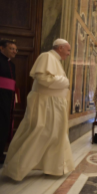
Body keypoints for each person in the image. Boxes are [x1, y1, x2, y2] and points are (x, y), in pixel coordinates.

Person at [2, 39, 74, 181]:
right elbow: (42, 78)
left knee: (56, 136)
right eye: (68, 50)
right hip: (44, 104)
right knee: (38, 133)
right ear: (60, 48)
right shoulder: (47, 57)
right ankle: (16, 169)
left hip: (54, 104)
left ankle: (53, 168)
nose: (69, 53)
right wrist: (65, 82)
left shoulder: (56, 60)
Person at [0, 39, 17, 163]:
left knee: (4, 125)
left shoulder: (12, 65)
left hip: (8, 99)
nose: (14, 51)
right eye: (11, 48)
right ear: (2, 48)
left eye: (16, 49)